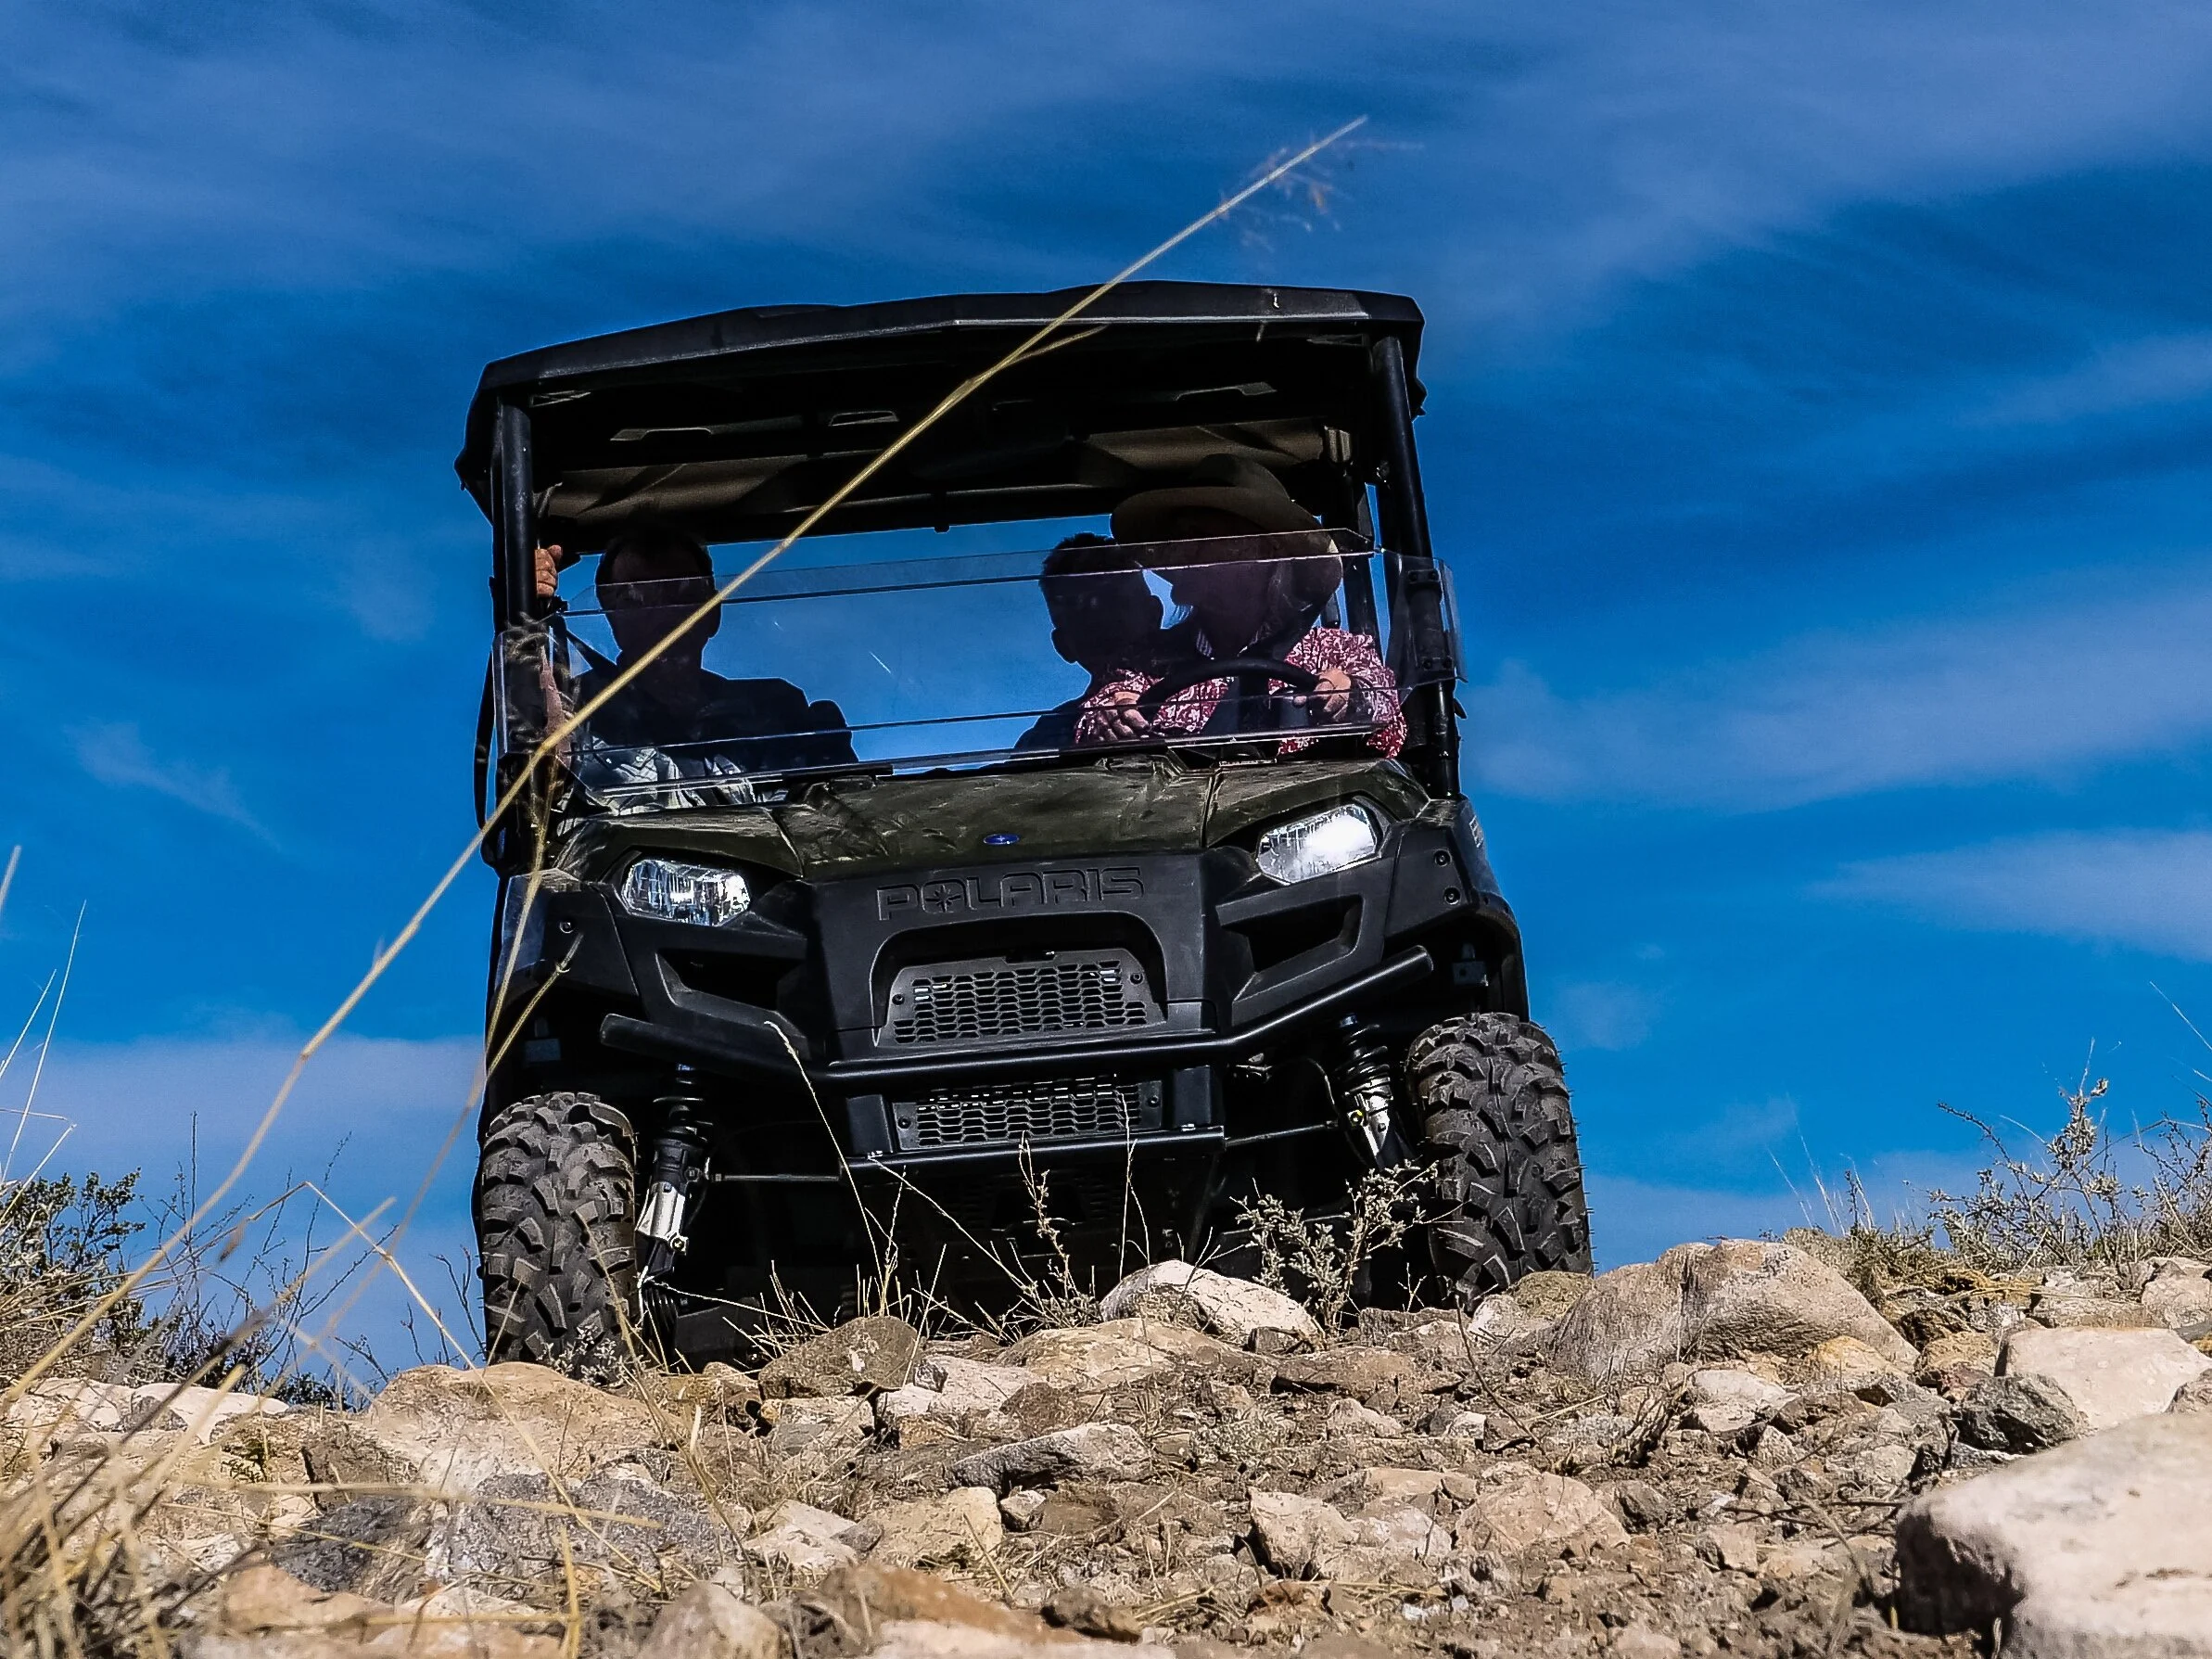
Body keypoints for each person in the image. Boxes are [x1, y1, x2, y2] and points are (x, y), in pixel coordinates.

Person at [1074, 455, 1404, 756]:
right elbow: (1092, 720)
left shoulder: (1334, 651)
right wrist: (1110, 718)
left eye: (1198, 536)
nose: (1177, 553)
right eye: (1175, 540)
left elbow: (1388, 717)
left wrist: (1350, 697)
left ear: (1265, 551)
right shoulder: (1144, 660)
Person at [569, 524, 857, 778]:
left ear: (713, 612)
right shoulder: (573, 710)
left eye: (683, 593)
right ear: (612, 617)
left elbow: (835, 804)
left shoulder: (778, 710)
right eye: (634, 598)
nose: (663, 613)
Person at [1014, 534, 1165, 752]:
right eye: (1082, 617)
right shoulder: (1048, 734)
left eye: (1116, 604)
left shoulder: (1207, 686)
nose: (1105, 624)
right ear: (1063, 646)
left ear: (1154, 614)